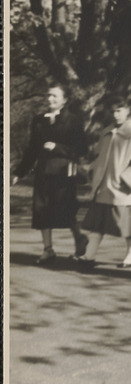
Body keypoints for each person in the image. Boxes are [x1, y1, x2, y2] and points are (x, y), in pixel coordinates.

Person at [13, 84, 89, 264]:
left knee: (66, 208)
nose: (50, 99)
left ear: (64, 100)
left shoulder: (73, 120)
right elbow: (32, 150)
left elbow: (81, 149)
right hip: (43, 172)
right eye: (48, 96)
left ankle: (79, 239)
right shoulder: (39, 120)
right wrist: (19, 172)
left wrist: (58, 147)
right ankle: (48, 250)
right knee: (41, 209)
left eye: (54, 96)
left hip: (63, 172)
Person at [78, 96, 131, 270]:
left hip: (125, 190)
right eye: (113, 111)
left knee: (130, 226)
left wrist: (125, 181)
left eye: (119, 110)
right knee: (98, 224)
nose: (116, 115)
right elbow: (99, 156)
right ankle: (89, 256)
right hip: (104, 187)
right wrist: (93, 171)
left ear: (128, 111)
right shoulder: (107, 132)